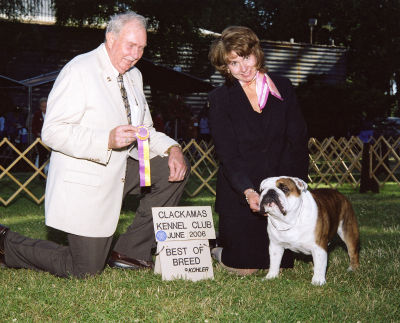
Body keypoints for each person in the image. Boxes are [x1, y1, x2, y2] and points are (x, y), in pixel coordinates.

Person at [0, 11, 189, 278]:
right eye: (131, 45)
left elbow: (145, 130)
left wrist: (174, 149)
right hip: (87, 181)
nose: (136, 54)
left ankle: (130, 251)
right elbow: (52, 132)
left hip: (124, 170)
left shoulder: (135, 76)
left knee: (172, 171)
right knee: (84, 270)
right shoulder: (79, 69)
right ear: (110, 39)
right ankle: (6, 243)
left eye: (142, 48)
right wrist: (106, 140)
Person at [207, 26, 309, 275]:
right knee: (246, 270)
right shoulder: (220, 99)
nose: (243, 68)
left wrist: (294, 186)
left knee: (280, 267)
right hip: (241, 194)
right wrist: (249, 191)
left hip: (279, 192)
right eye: (233, 62)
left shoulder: (283, 87)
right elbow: (227, 154)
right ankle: (217, 250)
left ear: (257, 53)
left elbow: (297, 139)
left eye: (246, 57)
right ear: (225, 67)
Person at [32, 97, 50, 173]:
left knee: (52, 157)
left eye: (46, 107)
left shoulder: (52, 114)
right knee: (41, 156)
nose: (44, 109)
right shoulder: (37, 114)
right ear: (40, 107)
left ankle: (50, 174)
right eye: (43, 107)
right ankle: (41, 174)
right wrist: (37, 134)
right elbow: (33, 127)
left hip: (51, 139)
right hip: (40, 140)